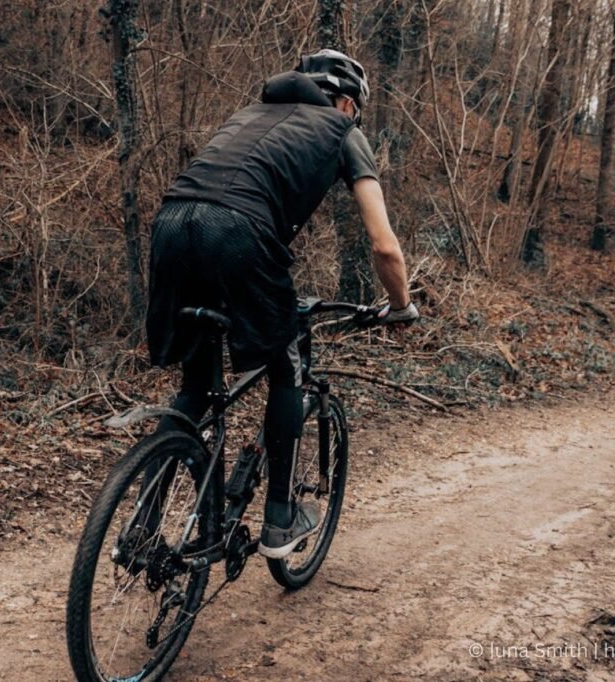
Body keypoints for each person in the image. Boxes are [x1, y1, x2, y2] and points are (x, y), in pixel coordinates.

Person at [146, 49, 419, 559]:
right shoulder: (342, 131)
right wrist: (400, 305)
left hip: (170, 224)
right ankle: (278, 521)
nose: (351, 117)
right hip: (239, 232)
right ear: (345, 102)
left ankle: (140, 520)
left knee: (196, 386)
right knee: (285, 368)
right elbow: (384, 246)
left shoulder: (247, 117)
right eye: (353, 109)